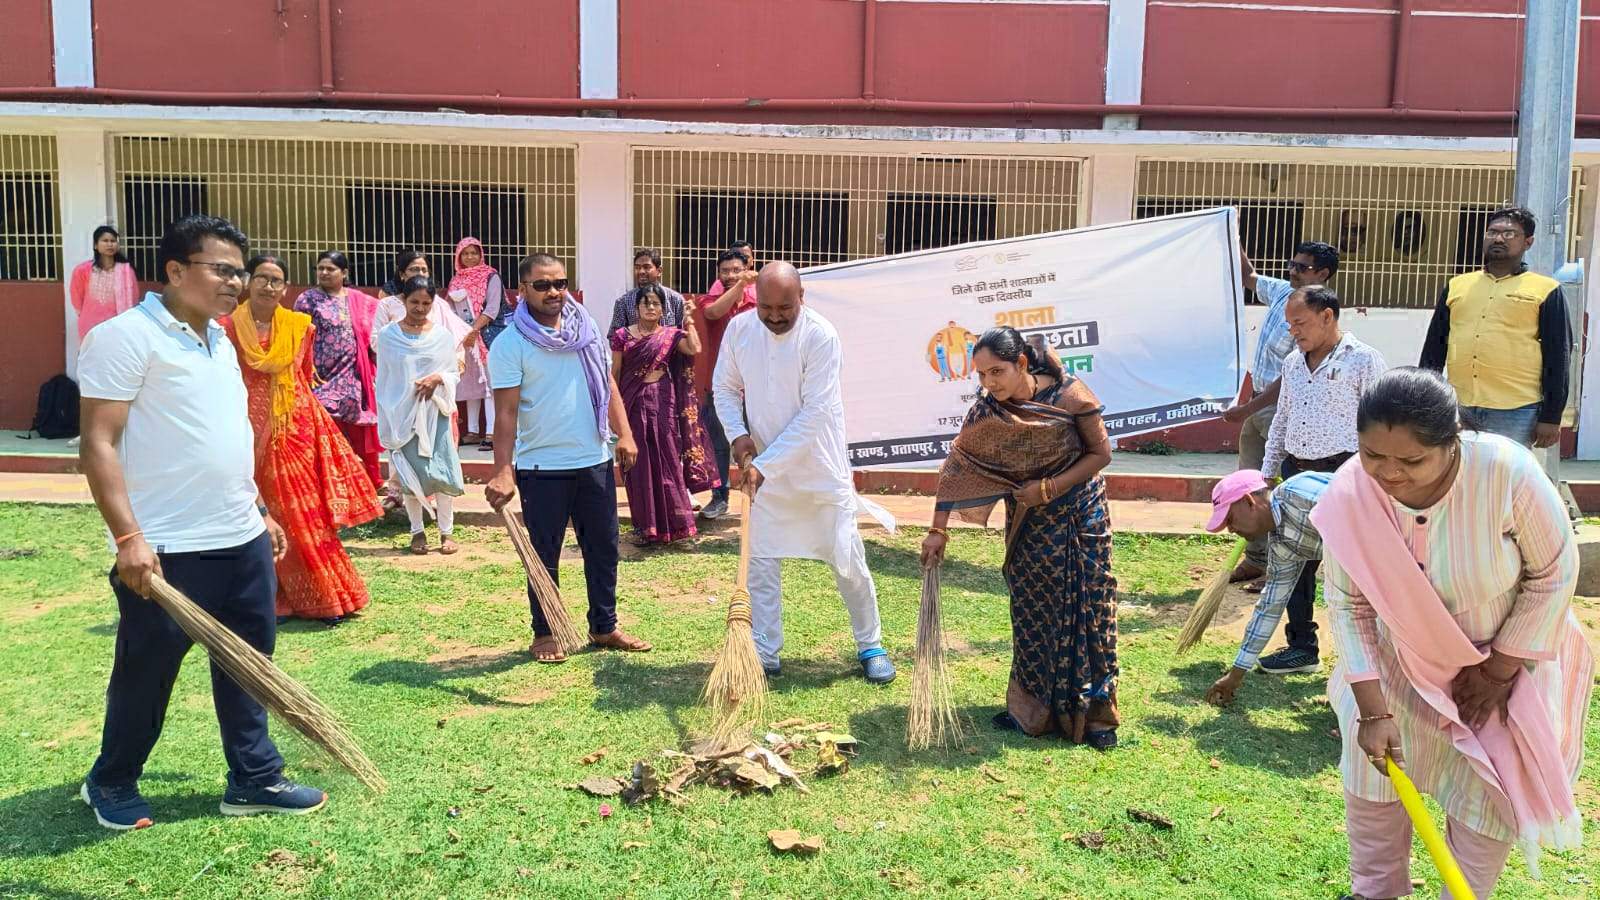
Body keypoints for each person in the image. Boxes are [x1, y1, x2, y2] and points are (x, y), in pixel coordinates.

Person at [76, 214, 325, 831]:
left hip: (237, 536)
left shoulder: (218, 338)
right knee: (148, 672)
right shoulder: (124, 337)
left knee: (249, 664)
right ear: (176, 270)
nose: (237, 283)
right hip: (166, 547)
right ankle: (111, 780)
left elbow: (226, 435)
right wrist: (129, 539)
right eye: (224, 270)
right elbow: (97, 444)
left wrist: (258, 511)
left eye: (241, 272)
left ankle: (254, 777)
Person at [1310, 367, 1592, 900]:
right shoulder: (1352, 491)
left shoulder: (1506, 472)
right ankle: (1376, 891)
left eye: (1411, 461)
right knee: (1377, 782)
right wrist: (1372, 712)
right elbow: (1349, 605)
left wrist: (1499, 670)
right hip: (1395, 669)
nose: (1389, 475)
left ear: (1453, 440)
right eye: (1373, 455)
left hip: (1504, 673)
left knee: (1489, 795)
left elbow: (1554, 571)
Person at [921, 326, 1118, 747]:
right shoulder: (988, 411)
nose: (990, 383)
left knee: (1090, 609)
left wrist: (1049, 489)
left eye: (998, 372)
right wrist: (938, 530)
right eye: (982, 376)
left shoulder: (1070, 397)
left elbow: (1101, 455)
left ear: (1022, 364)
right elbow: (958, 467)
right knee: (1032, 612)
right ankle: (1031, 712)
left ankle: (1096, 717)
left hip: (1081, 517)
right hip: (1029, 522)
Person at [714, 261, 896, 684]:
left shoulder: (820, 335)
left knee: (847, 559)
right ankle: (764, 650)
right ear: (754, 300)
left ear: (802, 298)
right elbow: (724, 387)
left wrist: (765, 463)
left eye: (785, 308)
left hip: (818, 467)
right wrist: (738, 435)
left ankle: (870, 643)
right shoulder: (740, 331)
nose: (776, 317)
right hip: (762, 470)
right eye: (767, 308)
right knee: (759, 561)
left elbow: (816, 412)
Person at [484, 254, 652, 663]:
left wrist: (624, 433)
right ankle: (545, 631)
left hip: (592, 459)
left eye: (559, 283)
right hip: (541, 467)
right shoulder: (510, 343)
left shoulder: (585, 327)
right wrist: (503, 471)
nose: (553, 292)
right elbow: (505, 414)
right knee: (545, 554)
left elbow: (607, 381)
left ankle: (604, 626)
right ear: (521, 290)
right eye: (542, 285)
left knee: (603, 547)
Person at [222, 254, 381, 625]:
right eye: (261, 277)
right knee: (260, 517)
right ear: (248, 281)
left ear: (285, 287)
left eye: (276, 280)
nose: (268, 285)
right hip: (246, 435)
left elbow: (303, 382)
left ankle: (326, 594)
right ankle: (269, 596)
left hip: (295, 433)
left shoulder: (299, 327)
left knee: (303, 517)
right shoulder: (226, 329)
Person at [1256, 285, 1387, 676]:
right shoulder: (1293, 363)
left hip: (1345, 474)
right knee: (1294, 561)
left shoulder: (1363, 361)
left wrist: (1376, 477)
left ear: (1328, 317)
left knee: (1354, 565)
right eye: (1289, 325)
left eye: (1300, 323)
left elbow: (1380, 424)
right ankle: (1301, 646)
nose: (1293, 332)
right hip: (1296, 473)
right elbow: (1282, 419)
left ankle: (1366, 655)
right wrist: (1267, 472)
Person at [1221, 240, 1339, 586]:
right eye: (1292, 263)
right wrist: (1234, 232)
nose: (1293, 271)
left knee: (1280, 488)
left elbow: (1290, 376)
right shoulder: (1281, 293)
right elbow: (1248, 276)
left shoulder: (1317, 319)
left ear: (1322, 274)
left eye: (1303, 267)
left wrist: (1246, 408)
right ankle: (1256, 558)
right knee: (1250, 484)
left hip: (1282, 412)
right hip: (1257, 406)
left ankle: (1278, 565)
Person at [1419, 206, 1570, 450]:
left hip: (1516, 411)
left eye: (1510, 234)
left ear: (1528, 242)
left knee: (1505, 479)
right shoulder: (1458, 286)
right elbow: (1434, 348)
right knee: (1456, 476)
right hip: (1459, 407)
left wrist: (1551, 417)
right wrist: (1426, 399)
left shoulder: (1546, 290)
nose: (1498, 238)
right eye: (1492, 232)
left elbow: (1558, 356)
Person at [1199, 468, 1331, 707]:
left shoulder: (1302, 494)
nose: (1230, 530)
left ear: (1249, 502)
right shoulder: (1282, 545)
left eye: (1229, 519)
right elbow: (1270, 606)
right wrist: (1235, 675)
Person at [610, 283, 720, 544]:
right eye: (645, 302)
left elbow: (694, 348)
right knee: (637, 464)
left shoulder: (670, 335)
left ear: (663, 308)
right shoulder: (623, 336)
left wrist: (689, 320)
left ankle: (677, 528)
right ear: (636, 308)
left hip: (663, 400)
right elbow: (614, 374)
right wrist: (611, 412)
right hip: (632, 401)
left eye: (655, 303)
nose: (650, 307)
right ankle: (644, 528)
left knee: (668, 457)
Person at [376, 276, 467, 555]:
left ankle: (446, 533)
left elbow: (453, 372)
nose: (420, 307)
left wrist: (437, 378)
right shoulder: (390, 336)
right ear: (403, 300)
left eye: (426, 302)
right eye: (414, 301)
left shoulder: (441, 336)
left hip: (434, 412)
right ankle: (417, 532)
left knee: (441, 473)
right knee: (410, 476)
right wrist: (396, 408)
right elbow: (386, 379)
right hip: (402, 415)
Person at [295, 251, 383, 490]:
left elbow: (382, 324)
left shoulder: (360, 301)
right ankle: (330, 483)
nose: (324, 272)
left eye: (330, 268)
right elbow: (299, 336)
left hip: (354, 375)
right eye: (320, 268)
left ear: (344, 273)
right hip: (321, 377)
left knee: (359, 428)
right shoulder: (308, 300)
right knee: (325, 428)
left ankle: (369, 483)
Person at [694, 248, 760, 521]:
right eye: (725, 271)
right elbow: (712, 313)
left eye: (737, 270)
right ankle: (720, 497)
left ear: (748, 266)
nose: (731, 275)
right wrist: (741, 285)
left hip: (757, 388)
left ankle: (760, 499)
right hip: (720, 388)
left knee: (759, 443)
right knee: (719, 445)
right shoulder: (711, 299)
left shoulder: (760, 301)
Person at [446, 237, 503, 448]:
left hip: (486, 337)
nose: (470, 257)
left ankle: (491, 432)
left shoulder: (491, 276)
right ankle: (472, 431)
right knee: (470, 382)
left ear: (481, 254)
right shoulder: (456, 280)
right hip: (465, 339)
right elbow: (450, 308)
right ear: (459, 256)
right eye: (465, 253)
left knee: (489, 384)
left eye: (474, 253)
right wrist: (462, 332)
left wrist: (474, 329)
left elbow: (492, 309)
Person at [69, 225, 140, 343]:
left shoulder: (126, 271)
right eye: (105, 241)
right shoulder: (82, 270)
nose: (110, 244)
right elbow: (77, 298)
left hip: (119, 327)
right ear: (95, 245)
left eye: (113, 241)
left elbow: (134, 299)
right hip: (90, 326)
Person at [609, 247, 687, 331]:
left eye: (646, 267)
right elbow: (614, 337)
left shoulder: (676, 300)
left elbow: (683, 333)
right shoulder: (623, 302)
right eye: (637, 267)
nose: (641, 271)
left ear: (659, 271)